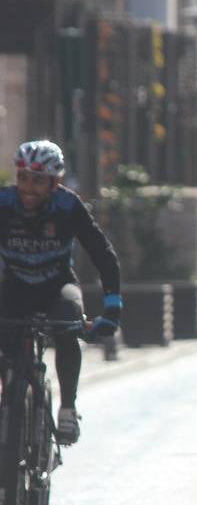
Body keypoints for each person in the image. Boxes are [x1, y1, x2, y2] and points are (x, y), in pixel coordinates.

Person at [1, 140, 121, 444]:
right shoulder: (4, 203)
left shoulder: (68, 206)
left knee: (68, 325)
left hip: (57, 286)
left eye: (38, 180)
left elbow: (103, 254)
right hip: (14, 287)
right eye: (23, 178)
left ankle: (67, 407)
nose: (28, 188)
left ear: (55, 183)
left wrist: (112, 309)